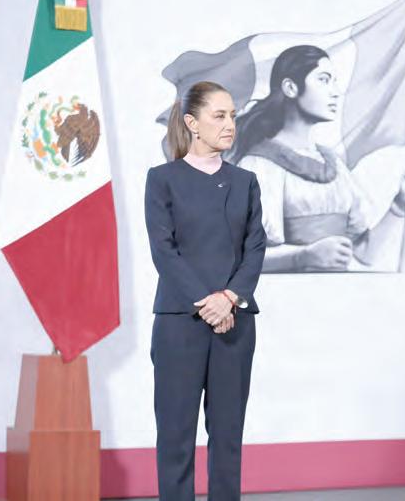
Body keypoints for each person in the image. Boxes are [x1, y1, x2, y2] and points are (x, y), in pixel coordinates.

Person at [145, 80, 266, 500]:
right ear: (192, 123)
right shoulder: (162, 179)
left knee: (228, 436)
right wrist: (208, 302)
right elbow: (164, 250)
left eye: (233, 115)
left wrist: (229, 298)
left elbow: (255, 247)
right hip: (180, 323)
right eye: (219, 115)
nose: (230, 124)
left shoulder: (246, 181)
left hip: (235, 323)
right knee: (175, 436)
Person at [228, 44, 405, 272]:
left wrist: (399, 205)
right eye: (324, 80)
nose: (335, 91)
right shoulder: (259, 165)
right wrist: (302, 256)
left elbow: (364, 254)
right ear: (290, 88)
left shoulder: (334, 165)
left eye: (334, 81)